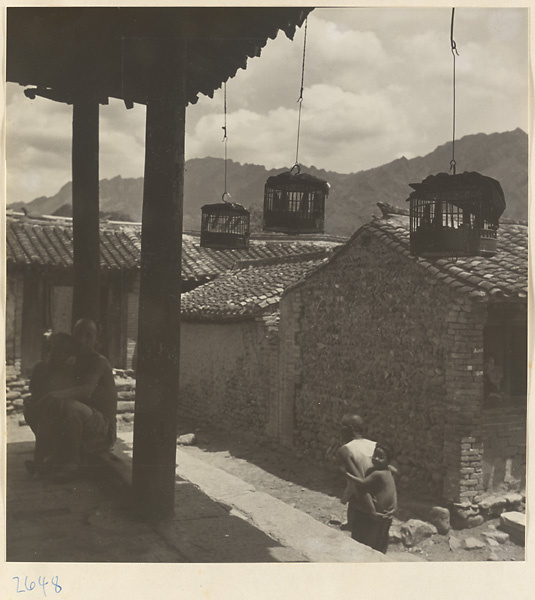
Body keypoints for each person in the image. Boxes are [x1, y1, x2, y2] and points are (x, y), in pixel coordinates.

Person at [35, 318, 118, 482]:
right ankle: (49, 458)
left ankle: (72, 465)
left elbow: (86, 390)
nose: (82, 340)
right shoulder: (74, 360)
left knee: (68, 405)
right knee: (45, 406)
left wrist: (53, 395)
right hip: (85, 425)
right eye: (79, 334)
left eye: (89, 336)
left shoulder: (99, 362)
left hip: (103, 430)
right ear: (73, 335)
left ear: (96, 339)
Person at [24, 332, 77, 475]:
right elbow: (35, 391)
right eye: (57, 349)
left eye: (65, 351)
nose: (60, 354)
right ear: (50, 350)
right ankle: (45, 456)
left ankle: (40, 462)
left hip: (63, 417)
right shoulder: (41, 368)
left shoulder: (69, 371)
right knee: (32, 407)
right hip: (44, 411)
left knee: (47, 417)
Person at [344, 442, 398, 554]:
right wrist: (394, 507)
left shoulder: (378, 473)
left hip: (380, 515)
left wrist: (347, 475)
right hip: (382, 514)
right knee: (376, 543)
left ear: (388, 461)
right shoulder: (388, 471)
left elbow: (362, 483)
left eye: (381, 457)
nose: (376, 459)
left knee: (372, 543)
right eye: (375, 455)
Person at [334, 414, 376, 531]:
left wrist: (371, 509)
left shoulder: (346, 450)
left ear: (350, 429)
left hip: (364, 502)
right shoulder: (375, 445)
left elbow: (359, 482)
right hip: (381, 499)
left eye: (342, 427)